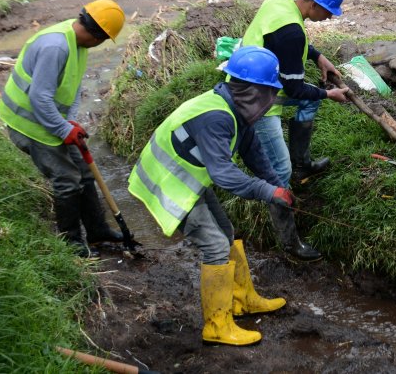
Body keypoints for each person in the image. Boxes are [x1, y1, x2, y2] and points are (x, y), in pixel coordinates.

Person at [127, 46, 297, 346]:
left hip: (187, 177)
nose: (272, 99)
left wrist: (278, 185)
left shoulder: (237, 111)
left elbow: (253, 154)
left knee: (227, 232)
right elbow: (223, 174)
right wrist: (268, 191)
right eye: (270, 92)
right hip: (168, 181)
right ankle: (217, 326)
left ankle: (243, 300)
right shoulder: (217, 116)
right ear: (254, 90)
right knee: (215, 245)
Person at [0, 0, 126, 257]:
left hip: (50, 121)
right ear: (98, 37)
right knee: (67, 180)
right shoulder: (55, 47)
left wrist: (70, 122)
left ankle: (97, 231)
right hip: (29, 125)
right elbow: (39, 98)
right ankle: (71, 242)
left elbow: (73, 87)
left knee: (85, 173)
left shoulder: (77, 43)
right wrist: (62, 128)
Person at [240, 0, 351, 257]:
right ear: (313, 4)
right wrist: (329, 93)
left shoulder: (279, 4)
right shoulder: (291, 32)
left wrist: (318, 57)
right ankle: (290, 242)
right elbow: (293, 90)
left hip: (253, 80)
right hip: (257, 101)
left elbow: (287, 42)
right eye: (328, 11)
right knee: (280, 172)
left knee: (309, 102)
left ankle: (303, 163)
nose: (330, 17)